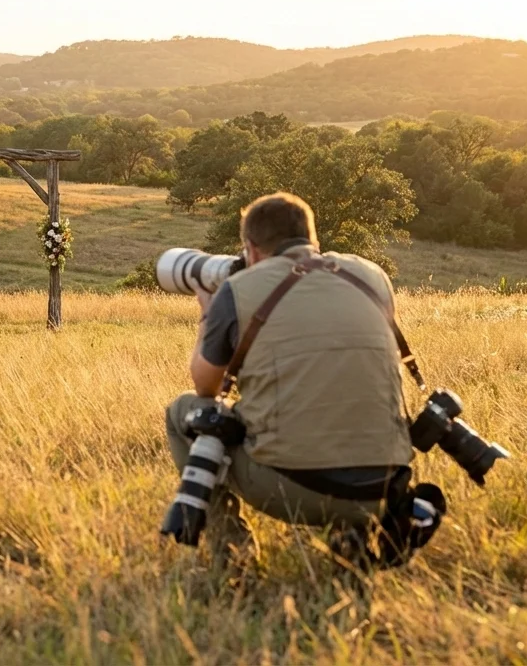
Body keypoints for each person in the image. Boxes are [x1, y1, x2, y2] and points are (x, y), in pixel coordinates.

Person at [163, 192, 414, 551]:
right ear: (314, 240)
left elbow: (207, 386)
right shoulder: (372, 276)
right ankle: (352, 532)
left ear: (250, 248)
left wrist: (208, 312)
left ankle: (231, 550)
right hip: (385, 485)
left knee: (182, 413)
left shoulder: (238, 289)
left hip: (291, 488)